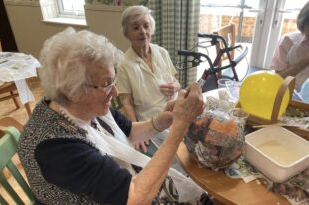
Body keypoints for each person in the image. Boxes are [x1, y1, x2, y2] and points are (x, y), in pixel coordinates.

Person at [18, 27, 209, 204]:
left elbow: (128, 131)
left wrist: (162, 121)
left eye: (113, 81)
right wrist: (179, 128)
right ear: (73, 91)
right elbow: (134, 198)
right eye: (107, 84)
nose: (115, 92)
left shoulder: (79, 104)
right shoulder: (56, 147)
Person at [116, 5, 181, 153]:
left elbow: (177, 82)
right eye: (135, 27)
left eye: (146, 25)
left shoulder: (162, 52)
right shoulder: (124, 64)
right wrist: (137, 132)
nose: (143, 32)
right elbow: (127, 103)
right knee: (172, 159)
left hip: (175, 113)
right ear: (127, 33)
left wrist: (176, 87)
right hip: (150, 122)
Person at [270, 2, 309, 93]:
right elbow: (277, 78)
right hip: (289, 93)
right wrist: (304, 62)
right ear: (303, 25)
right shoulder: (288, 41)